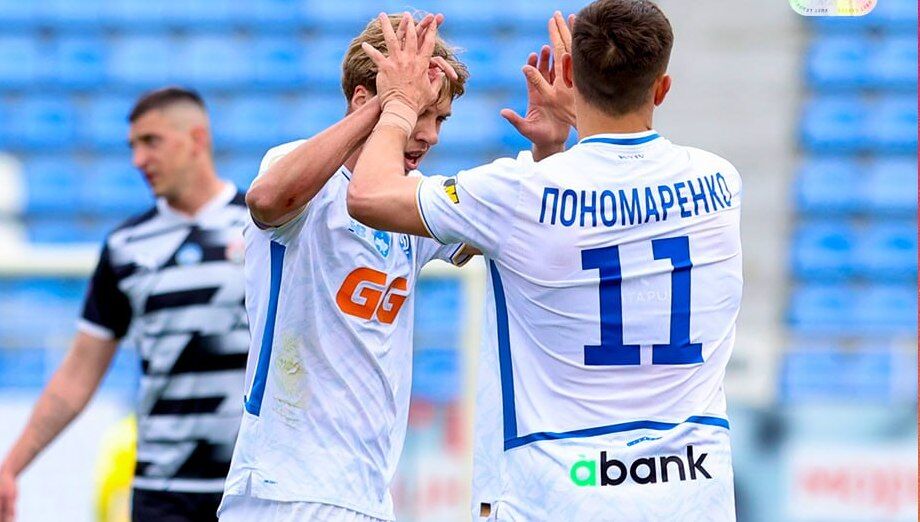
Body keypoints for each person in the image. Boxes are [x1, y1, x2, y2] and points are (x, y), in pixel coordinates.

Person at [347, 2, 743, 520]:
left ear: (571, 74)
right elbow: (606, 212)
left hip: (562, 491)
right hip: (693, 492)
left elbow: (369, 195)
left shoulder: (519, 193)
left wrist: (400, 104)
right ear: (662, 88)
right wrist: (561, 143)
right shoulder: (720, 182)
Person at [217, 13, 472, 522]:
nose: (430, 134)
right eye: (422, 112)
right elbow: (266, 201)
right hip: (284, 490)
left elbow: (508, 230)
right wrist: (390, 106)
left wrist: (548, 148)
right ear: (362, 100)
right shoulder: (299, 169)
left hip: (366, 493)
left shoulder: (407, 200)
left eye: (440, 119)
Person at [0, 87, 250, 522]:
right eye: (133, 146)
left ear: (197, 138)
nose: (138, 160)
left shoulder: (261, 225)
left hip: (252, 485)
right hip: (164, 491)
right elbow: (78, 375)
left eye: (151, 141)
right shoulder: (126, 247)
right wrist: (11, 467)